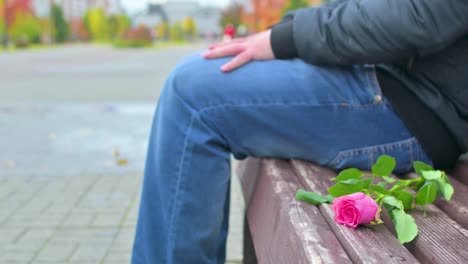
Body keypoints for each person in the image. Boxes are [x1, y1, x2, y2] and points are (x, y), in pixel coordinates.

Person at [132, 0, 468, 263]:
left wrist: (283, 40)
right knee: (197, 75)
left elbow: (418, 17)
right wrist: (282, 31)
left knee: (193, 96)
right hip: (388, 74)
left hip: (415, 104)